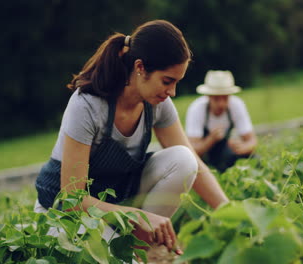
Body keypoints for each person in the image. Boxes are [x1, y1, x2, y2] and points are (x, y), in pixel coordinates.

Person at [34, 20, 229, 253]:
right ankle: (128, 249)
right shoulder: (87, 105)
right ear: (140, 67)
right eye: (167, 81)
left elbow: (195, 165)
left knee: (184, 159)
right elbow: (72, 200)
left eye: (177, 83)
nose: (172, 92)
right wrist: (138, 215)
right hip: (65, 213)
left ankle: (137, 247)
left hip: (115, 205)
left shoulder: (157, 104)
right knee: (113, 256)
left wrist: (229, 211)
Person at [185, 70, 258, 172]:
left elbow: (252, 141)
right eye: (216, 98)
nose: (221, 104)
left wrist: (242, 147)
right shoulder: (197, 109)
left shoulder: (237, 105)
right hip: (204, 158)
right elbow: (193, 150)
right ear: (208, 96)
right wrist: (211, 139)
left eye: (225, 98)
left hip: (225, 153)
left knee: (255, 160)